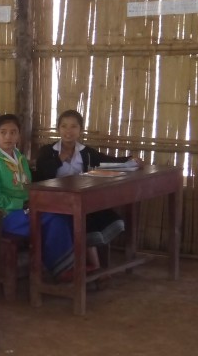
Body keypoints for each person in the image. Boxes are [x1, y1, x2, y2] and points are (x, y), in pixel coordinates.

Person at [34, 108, 143, 268]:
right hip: (54, 202)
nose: (68, 131)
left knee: (101, 214)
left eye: (73, 127)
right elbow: (43, 172)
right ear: (58, 129)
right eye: (64, 126)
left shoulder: (86, 153)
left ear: (80, 130)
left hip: (79, 200)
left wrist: (130, 160)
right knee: (84, 219)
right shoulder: (48, 151)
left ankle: (95, 269)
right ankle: (93, 269)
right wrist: (59, 159)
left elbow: (109, 161)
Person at [0, 114, 74, 279]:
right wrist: (22, 204)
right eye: (3, 132)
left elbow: (27, 187)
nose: (8, 137)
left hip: (26, 209)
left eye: (13, 132)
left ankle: (61, 265)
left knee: (64, 216)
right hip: (6, 215)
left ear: (19, 135)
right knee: (53, 218)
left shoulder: (21, 158)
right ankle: (61, 269)